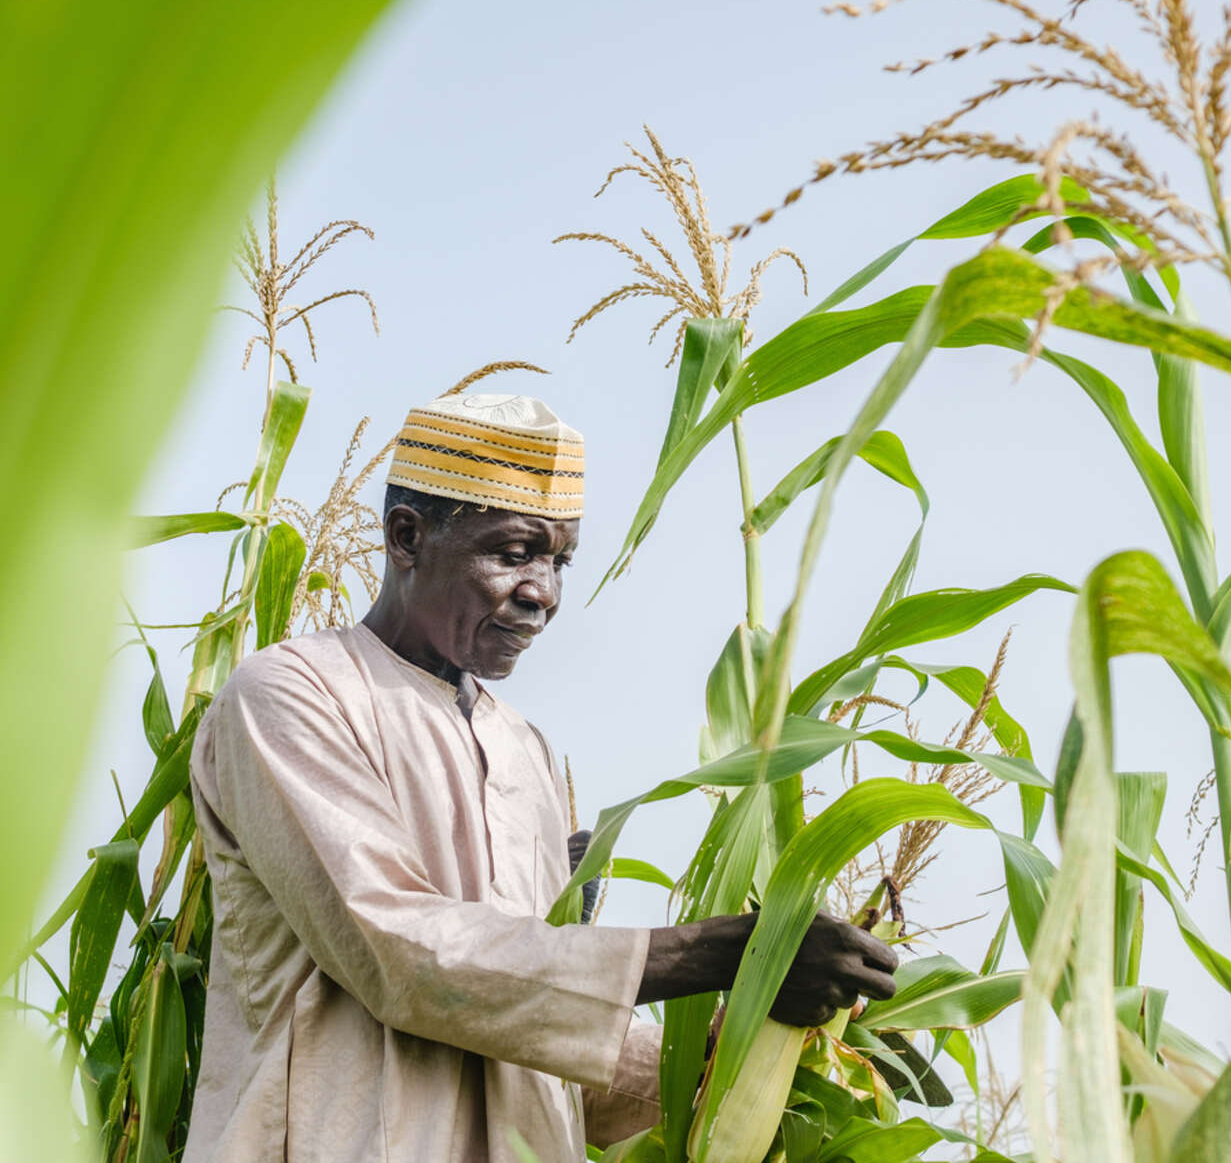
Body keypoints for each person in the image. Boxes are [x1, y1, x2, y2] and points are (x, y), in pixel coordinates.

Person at [185, 394, 897, 1162]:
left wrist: (766, 1039)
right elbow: (401, 957)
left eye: (559, 561)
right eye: (515, 552)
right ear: (407, 537)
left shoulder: (525, 751)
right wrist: (727, 952)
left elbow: (539, 1032)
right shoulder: (294, 693)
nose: (544, 594)